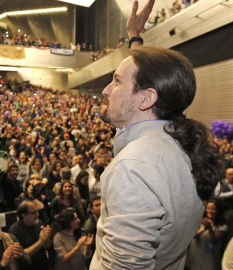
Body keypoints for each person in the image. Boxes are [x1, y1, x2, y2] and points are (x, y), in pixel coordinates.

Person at [90, 0, 225, 269]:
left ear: (147, 98)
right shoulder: (180, 141)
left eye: (116, 81)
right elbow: (143, 90)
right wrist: (135, 39)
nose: (105, 90)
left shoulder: (134, 169)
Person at [8, 201, 52, 270]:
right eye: (33, 213)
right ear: (23, 215)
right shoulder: (14, 230)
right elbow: (22, 254)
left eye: (37, 212)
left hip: (43, 265)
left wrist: (47, 237)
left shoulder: (39, 223)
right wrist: (41, 241)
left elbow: (47, 246)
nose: (37, 214)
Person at [185, 200, 227, 270]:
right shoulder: (199, 219)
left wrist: (210, 228)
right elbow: (191, 235)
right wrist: (204, 228)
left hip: (209, 260)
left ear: (217, 210)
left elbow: (213, 240)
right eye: (208, 208)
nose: (209, 211)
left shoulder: (222, 225)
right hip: (194, 257)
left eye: (213, 209)